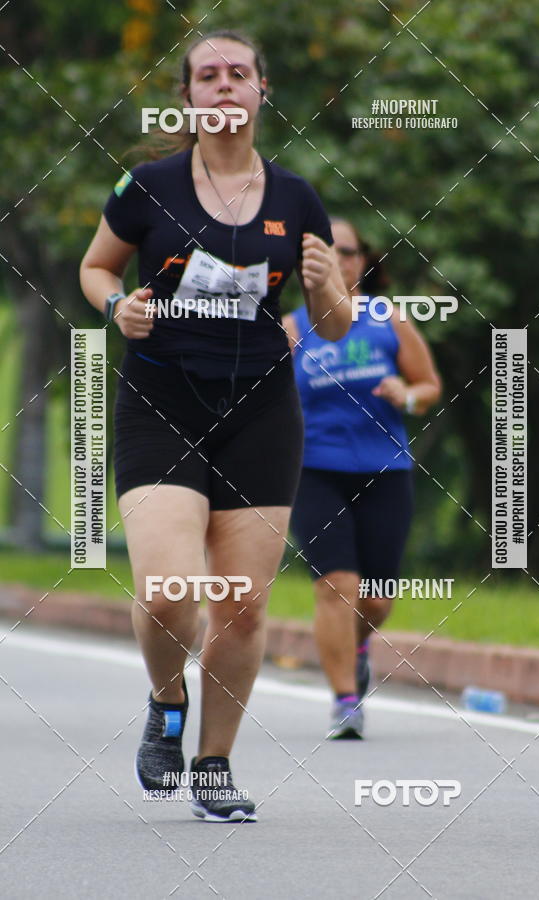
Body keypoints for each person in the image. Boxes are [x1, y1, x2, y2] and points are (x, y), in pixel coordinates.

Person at [80, 30, 351, 822]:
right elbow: (98, 267)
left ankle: (215, 763)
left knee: (242, 607)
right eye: (209, 75)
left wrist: (328, 286)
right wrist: (115, 307)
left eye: (239, 74)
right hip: (162, 402)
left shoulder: (298, 198)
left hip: (261, 410)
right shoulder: (148, 185)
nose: (225, 86)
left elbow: (330, 328)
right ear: (189, 96)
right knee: (169, 593)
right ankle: (168, 707)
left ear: (263, 90)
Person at [283, 219, 442, 739]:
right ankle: (345, 699)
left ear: (362, 261)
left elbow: (429, 386)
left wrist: (408, 394)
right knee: (336, 586)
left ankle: (356, 647)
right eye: (329, 251)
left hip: (384, 469)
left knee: (374, 599)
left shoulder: (387, 319)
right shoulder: (290, 327)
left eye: (348, 251)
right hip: (314, 471)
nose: (340, 260)